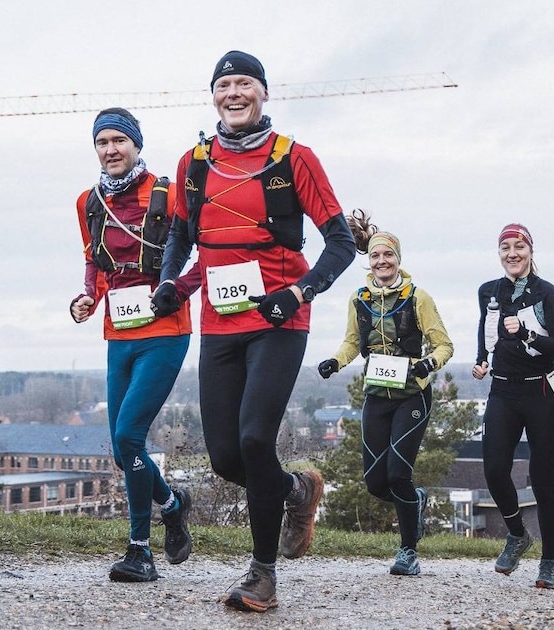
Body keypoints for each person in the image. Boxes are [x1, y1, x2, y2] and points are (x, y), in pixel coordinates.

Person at [157, 51, 356, 612]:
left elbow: (340, 244)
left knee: (253, 440)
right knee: (224, 459)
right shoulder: (193, 163)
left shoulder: (294, 158)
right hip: (220, 321)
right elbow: (181, 236)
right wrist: (173, 280)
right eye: (224, 84)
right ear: (213, 96)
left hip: (279, 318)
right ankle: (296, 489)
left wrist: (298, 292)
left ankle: (262, 574)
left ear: (264, 93)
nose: (234, 92)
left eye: (245, 82)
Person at [69, 108, 200, 582]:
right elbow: (95, 263)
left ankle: (139, 551)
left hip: (165, 333)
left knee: (129, 436)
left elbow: (195, 255)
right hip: (118, 333)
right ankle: (172, 503)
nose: (110, 150)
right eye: (102, 142)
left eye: (119, 141)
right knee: (125, 452)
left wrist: (176, 291)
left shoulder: (166, 193)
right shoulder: (89, 202)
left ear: (136, 145)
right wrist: (87, 297)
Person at [317, 211, 454, 576]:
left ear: (398, 259)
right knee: (375, 482)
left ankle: (409, 552)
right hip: (376, 394)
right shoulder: (358, 298)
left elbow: (444, 345)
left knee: (397, 475)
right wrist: (335, 361)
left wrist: (428, 364)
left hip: (413, 395)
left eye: (388, 255)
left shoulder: (417, 297)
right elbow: (351, 342)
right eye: (376, 256)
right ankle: (416, 502)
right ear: (369, 260)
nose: (382, 261)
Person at [471, 223, 554, 589]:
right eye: (505, 248)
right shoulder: (489, 291)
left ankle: (549, 562)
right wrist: (481, 359)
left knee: (543, 481)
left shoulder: (546, 292)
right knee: (495, 470)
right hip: (502, 391)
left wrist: (528, 334)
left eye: (519, 247)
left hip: (541, 393)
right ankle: (517, 534)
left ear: (531, 251)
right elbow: (487, 329)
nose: (512, 254)